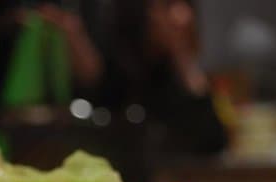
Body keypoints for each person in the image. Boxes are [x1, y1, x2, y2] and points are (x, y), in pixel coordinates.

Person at [39, 0, 228, 154]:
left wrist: (183, 56)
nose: (182, 16)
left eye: (186, 5)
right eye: (168, 5)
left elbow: (213, 140)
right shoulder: (122, 68)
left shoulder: (175, 74)